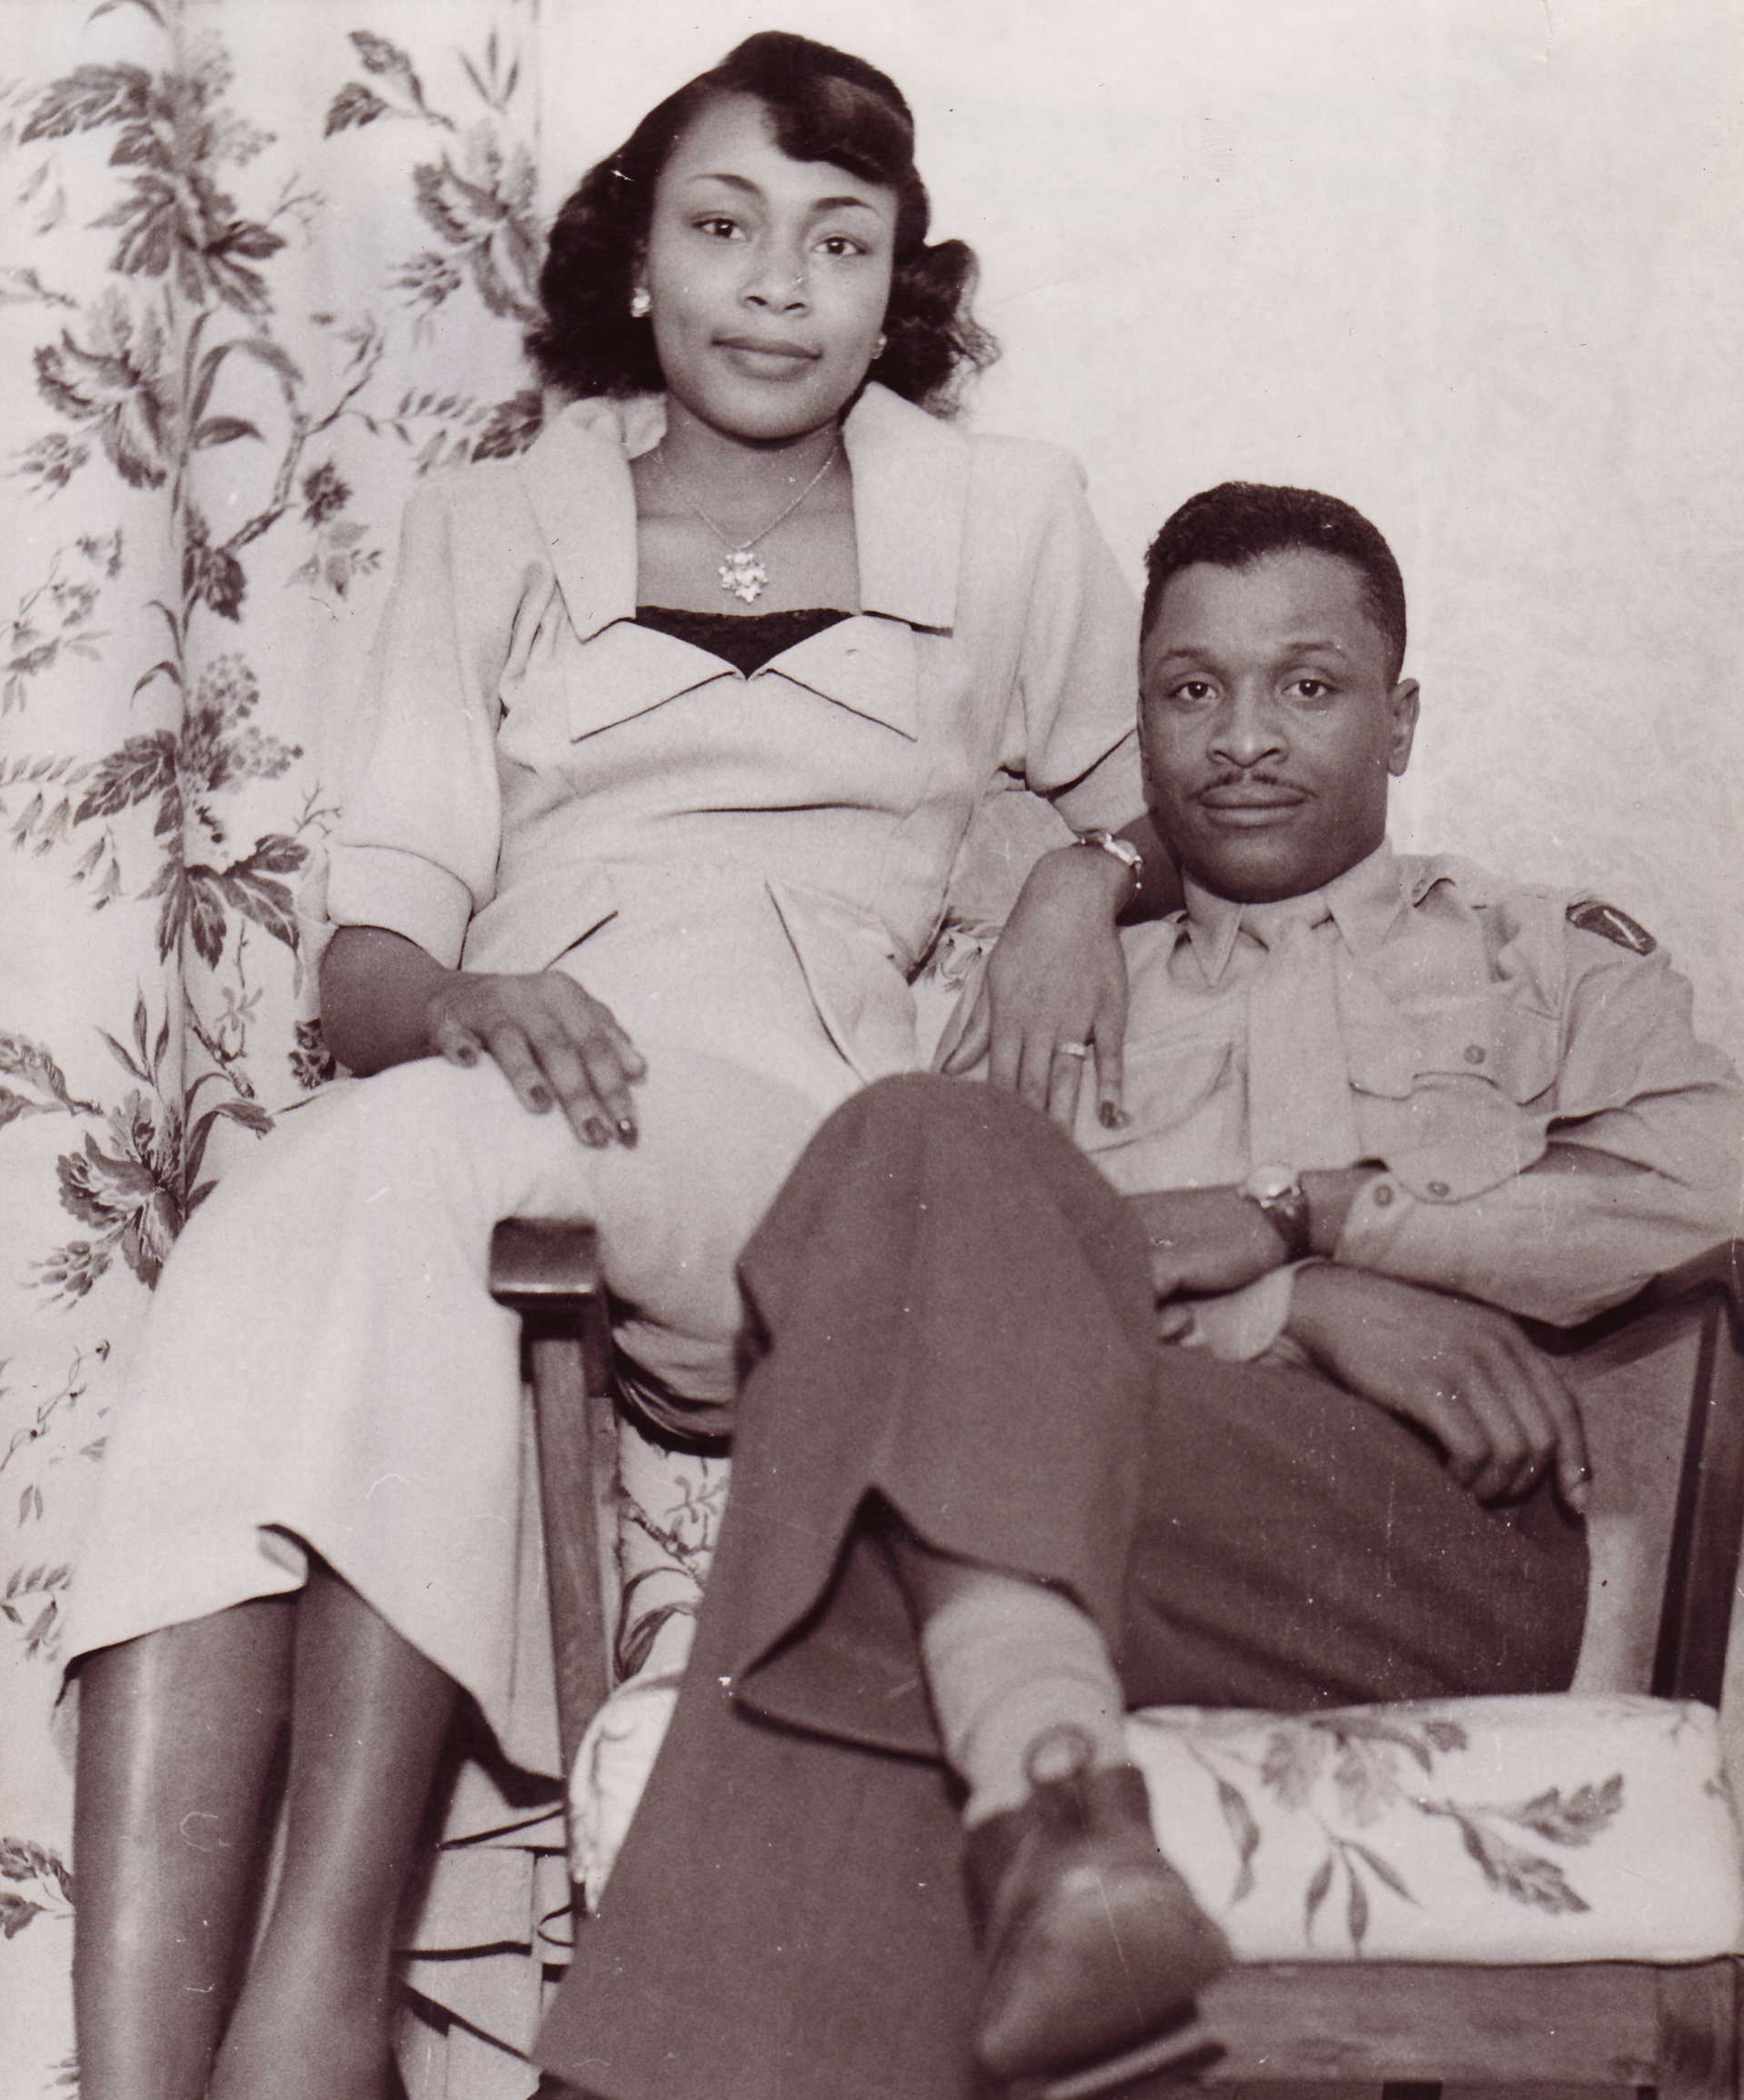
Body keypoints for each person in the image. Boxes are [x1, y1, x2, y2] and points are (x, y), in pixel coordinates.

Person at [63, 34, 1168, 2100]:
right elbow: (374, 950)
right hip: (518, 1087)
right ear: (639, 261)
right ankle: (166, 2069)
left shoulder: (1007, 518)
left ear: (896, 287)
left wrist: (1070, 883)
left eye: (839, 243)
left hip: (812, 1149)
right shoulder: (490, 522)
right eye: (726, 227)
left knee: (394, 1175)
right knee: (284, 1223)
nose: (777, 287)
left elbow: (1170, 800)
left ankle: (310, 2008)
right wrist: (458, 1005)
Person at [538, 482, 1743, 2100]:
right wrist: (1284, 1311)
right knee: (910, 1155)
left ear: (1397, 721)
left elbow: (1709, 1181)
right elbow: (901, 1306)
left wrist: (1317, 1218)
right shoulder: (1043, 1006)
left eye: (1305, 685)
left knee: (861, 1530)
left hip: (1430, 1547)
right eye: (1190, 688)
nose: (1241, 738)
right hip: (1099, 1534)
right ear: (1142, 720)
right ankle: (1056, 1808)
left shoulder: (1538, 957)